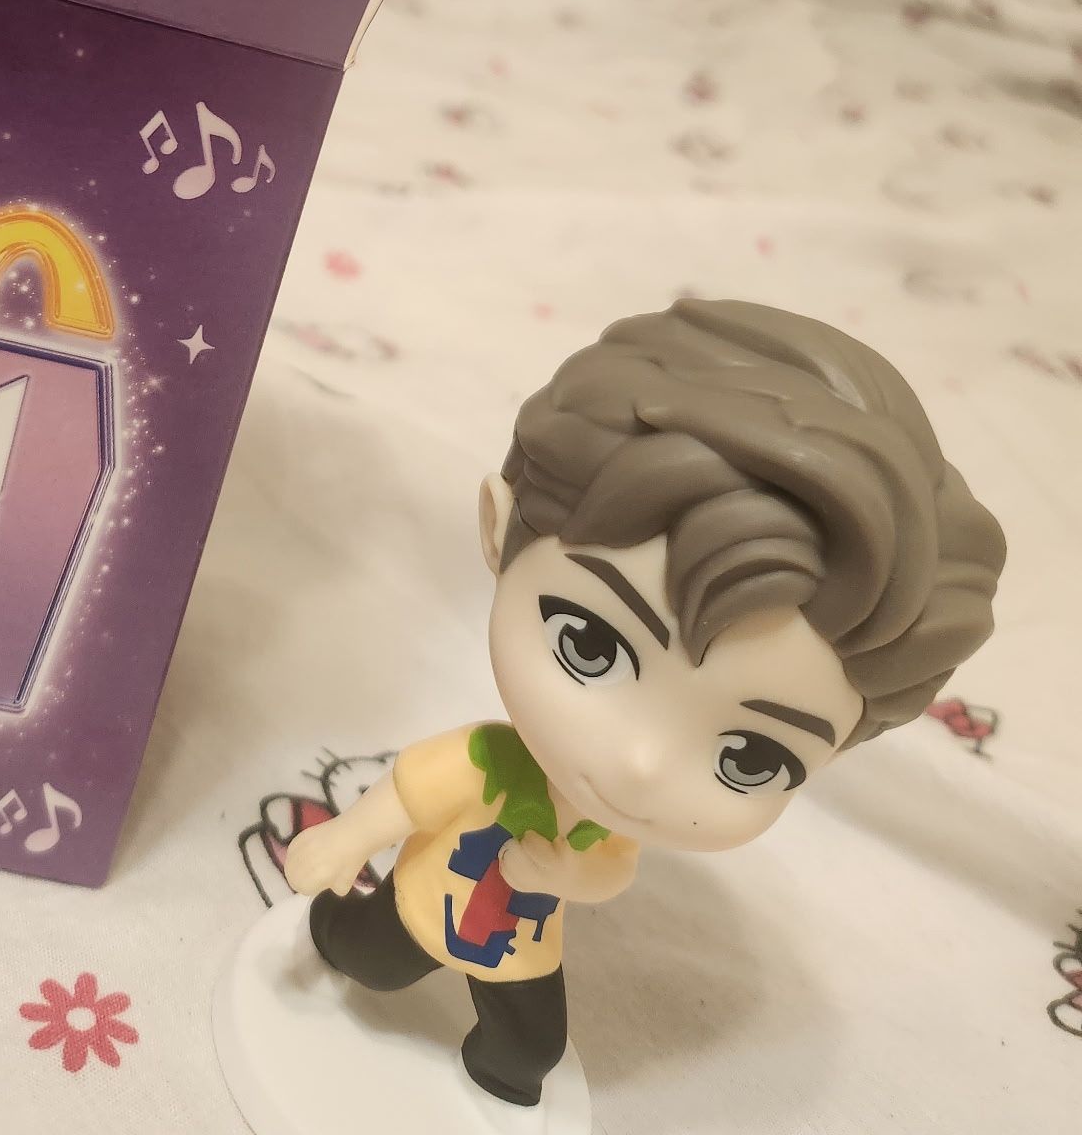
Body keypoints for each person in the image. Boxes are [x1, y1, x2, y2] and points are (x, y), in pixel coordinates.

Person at [285, 298, 1006, 1108]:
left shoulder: (606, 827)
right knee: (368, 959)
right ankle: (332, 933)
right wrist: (346, 838)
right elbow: (408, 794)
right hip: (425, 905)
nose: (641, 764)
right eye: (589, 645)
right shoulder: (486, 760)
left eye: (750, 758)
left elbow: (605, 877)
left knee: (528, 1052)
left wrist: (567, 870)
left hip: (520, 946)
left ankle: (490, 1101)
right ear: (497, 529)